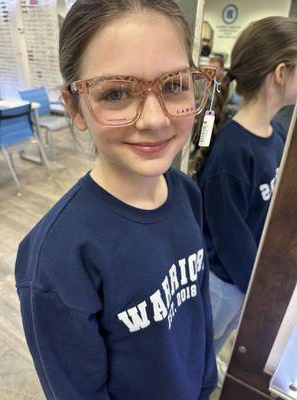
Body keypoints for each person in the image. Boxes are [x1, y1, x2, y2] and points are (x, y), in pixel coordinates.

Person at [15, 1, 218, 399]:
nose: (155, 119)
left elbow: (197, 312)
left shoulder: (186, 193)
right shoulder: (58, 258)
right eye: (116, 93)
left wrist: (206, 383)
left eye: (173, 85)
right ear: (74, 106)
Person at [193, 16, 297, 356]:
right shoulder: (232, 154)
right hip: (224, 285)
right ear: (281, 73)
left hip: (244, 284)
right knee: (199, 356)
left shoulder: (276, 134)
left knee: (212, 351)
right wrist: (261, 291)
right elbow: (230, 242)